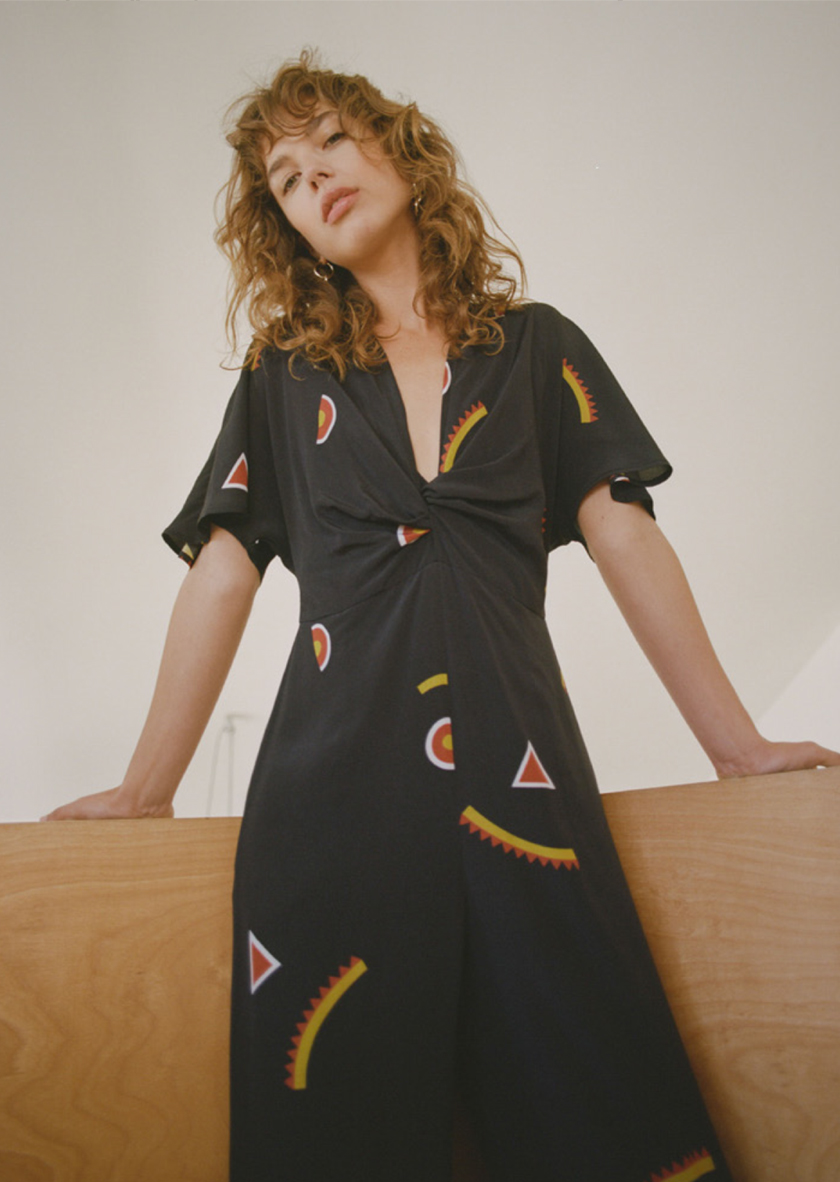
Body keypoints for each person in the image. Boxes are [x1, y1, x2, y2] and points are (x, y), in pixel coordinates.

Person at [45, 51, 839, 1182]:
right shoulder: (284, 378)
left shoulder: (540, 349)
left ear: (402, 153)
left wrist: (738, 745)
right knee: (335, 1131)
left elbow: (625, 532)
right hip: (330, 801)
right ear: (287, 230)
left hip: (524, 787)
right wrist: (145, 788)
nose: (314, 177)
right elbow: (222, 571)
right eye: (284, 178)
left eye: (332, 140)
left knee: (607, 1109)